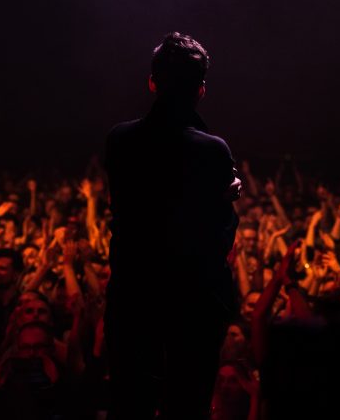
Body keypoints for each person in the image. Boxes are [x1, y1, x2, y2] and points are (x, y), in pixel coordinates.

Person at [104, 32, 242, 419]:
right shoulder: (212, 149)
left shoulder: (120, 139)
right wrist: (224, 196)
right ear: (201, 89)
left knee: (130, 403)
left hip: (133, 300)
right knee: (187, 405)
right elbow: (218, 236)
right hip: (191, 306)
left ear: (152, 82)